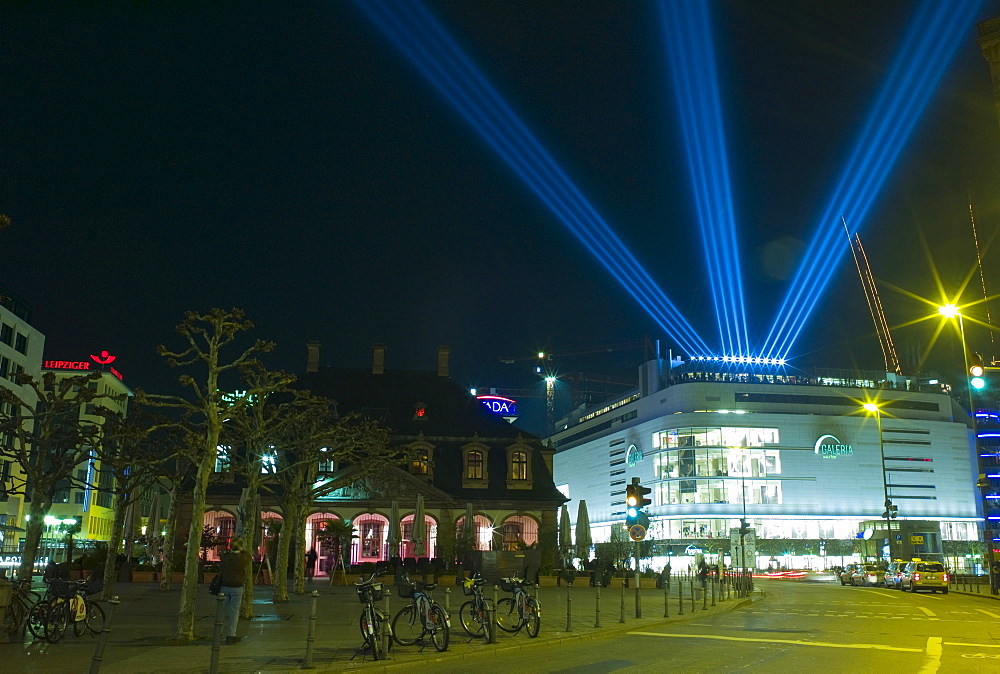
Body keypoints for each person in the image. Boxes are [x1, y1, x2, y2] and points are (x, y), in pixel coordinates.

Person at [219, 539, 251, 644]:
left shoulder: (226, 557)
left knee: (221, 611)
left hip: (224, 586)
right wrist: (243, 550)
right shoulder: (242, 559)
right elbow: (249, 557)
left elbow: (222, 554)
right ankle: (231, 635)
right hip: (237, 587)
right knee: (234, 612)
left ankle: (218, 633)